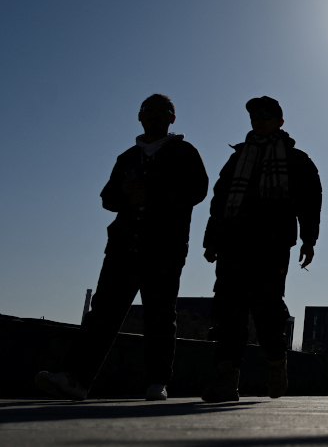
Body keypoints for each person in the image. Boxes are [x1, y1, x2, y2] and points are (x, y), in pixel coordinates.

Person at [35, 94, 208, 401]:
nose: (154, 116)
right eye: (148, 111)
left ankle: (157, 382)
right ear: (139, 117)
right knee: (103, 312)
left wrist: (152, 193)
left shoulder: (184, 152)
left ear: (172, 119)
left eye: (161, 112)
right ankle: (76, 379)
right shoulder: (127, 157)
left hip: (164, 246)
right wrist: (123, 192)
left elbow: (197, 189)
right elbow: (107, 198)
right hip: (123, 245)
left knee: (159, 313)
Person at [201, 96, 322, 402]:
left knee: (268, 309)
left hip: (272, 243)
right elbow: (219, 200)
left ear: (280, 121)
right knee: (229, 310)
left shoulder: (296, 160)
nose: (259, 120)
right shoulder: (238, 158)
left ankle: (276, 367)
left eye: (266, 116)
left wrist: (309, 240)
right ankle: (226, 381)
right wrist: (211, 240)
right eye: (254, 116)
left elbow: (310, 202)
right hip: (233, 242)